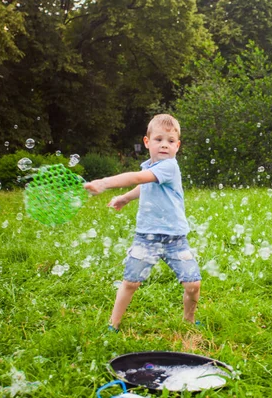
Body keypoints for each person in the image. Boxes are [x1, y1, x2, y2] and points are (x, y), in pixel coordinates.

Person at [84, 114, 201, 331]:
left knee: (193, 284)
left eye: (170, 141)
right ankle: (114, 324)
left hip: (175, 238)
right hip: (146, 237)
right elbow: (145, 185)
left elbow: (139, 178)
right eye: (158, 140)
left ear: (178, 146)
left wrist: (104, 183)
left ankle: (190, 320)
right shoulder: (150, 166)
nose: (164, 145)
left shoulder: (169, 167)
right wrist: (126, 198)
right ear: (147, 142)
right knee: (130, 282)